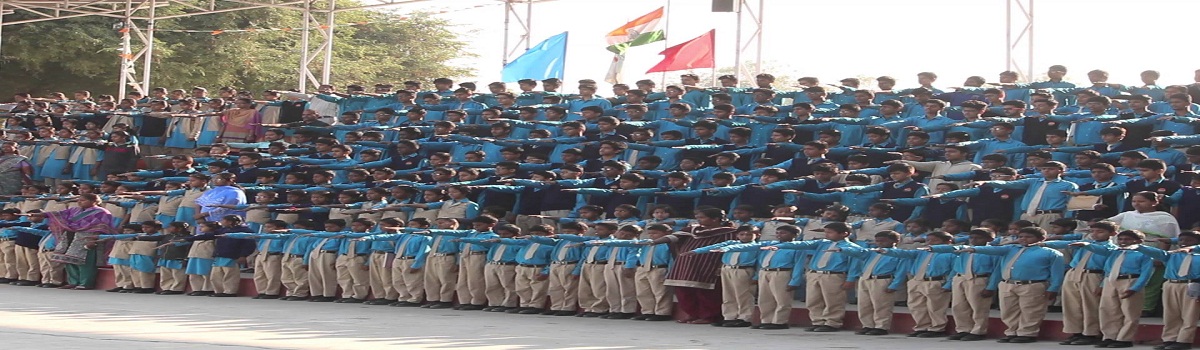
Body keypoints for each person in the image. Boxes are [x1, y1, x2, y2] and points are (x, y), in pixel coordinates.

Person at [944, 226, 1065, 344]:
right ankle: (1011, 332)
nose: (1023, 239)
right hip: (1008, 283)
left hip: (1032, 284)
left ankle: (1027, 333)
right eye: (1021, 236)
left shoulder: (1051, 253)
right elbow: (992, 249)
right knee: (1008, 310)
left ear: (1042, 238)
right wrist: (975, 249)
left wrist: (1053, 288)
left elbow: (1057, 273)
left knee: (1031, 311)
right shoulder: (1011, 248)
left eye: (1028, 237)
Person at [647, 207, 740, 325]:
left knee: (706, 294)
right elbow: (673, 237)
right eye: (697, 218)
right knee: (684, 292)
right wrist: (654, 242)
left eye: (702, 217)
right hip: (685, 265)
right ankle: (693, 314)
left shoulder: (729, 233)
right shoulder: (692, 229)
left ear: (715, 219)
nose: (699, 220)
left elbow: (729, 249)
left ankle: (709, 317)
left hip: (708, 266)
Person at [767, 222, 864, 332]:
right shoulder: (822, 243)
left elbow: (854, 265)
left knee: (833, 300)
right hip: (814, 273)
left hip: (833, 275)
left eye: (830, 233)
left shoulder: (851, 247)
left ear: (844, 234)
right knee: (813, 300)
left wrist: (850, 279)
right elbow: (802, 244)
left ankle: (832, 322)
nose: (826, 235)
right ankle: (817, 321)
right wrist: (779, 245)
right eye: (826, 232)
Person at [1069, 229, 1154, 348]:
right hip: (1111, 280)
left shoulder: (1143, 254)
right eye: (1121, 239)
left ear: (1138, 241)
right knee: (1108, 310)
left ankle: (1125, 339)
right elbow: (1108, 269)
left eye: (1128, 239)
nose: (1123, 241)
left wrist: (1135, 288)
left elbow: (1146, 273)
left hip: (1130, 280)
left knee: (1129, 312)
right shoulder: (1115, 252)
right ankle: (1110, 336)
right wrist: (1103, 285)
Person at [28, 193, 116, 290]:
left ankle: (85, 283)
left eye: (83, 200)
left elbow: (103, 226)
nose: (79, 202)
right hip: (70, 236)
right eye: (79, 200)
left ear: (94, 201)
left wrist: (94, 239)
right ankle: (73, 282)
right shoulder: (74, 210)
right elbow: (59, 214)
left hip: (87, 237)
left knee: (85, 262)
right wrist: (41, 214)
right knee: (68, 260)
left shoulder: (102, 212)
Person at [929, 228, 1002, 341]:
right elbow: (956, 267)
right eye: (972, 238)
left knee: (978, 307)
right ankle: (963, 329)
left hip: (978, 279)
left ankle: (978, 331)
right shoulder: (964, 250)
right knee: (959, 306)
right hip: (960, 278)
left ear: (990, 239)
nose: (974, 240)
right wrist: (950, 283)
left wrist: (991, 287)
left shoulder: (992, 252)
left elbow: (997, 271)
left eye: (978, 238)